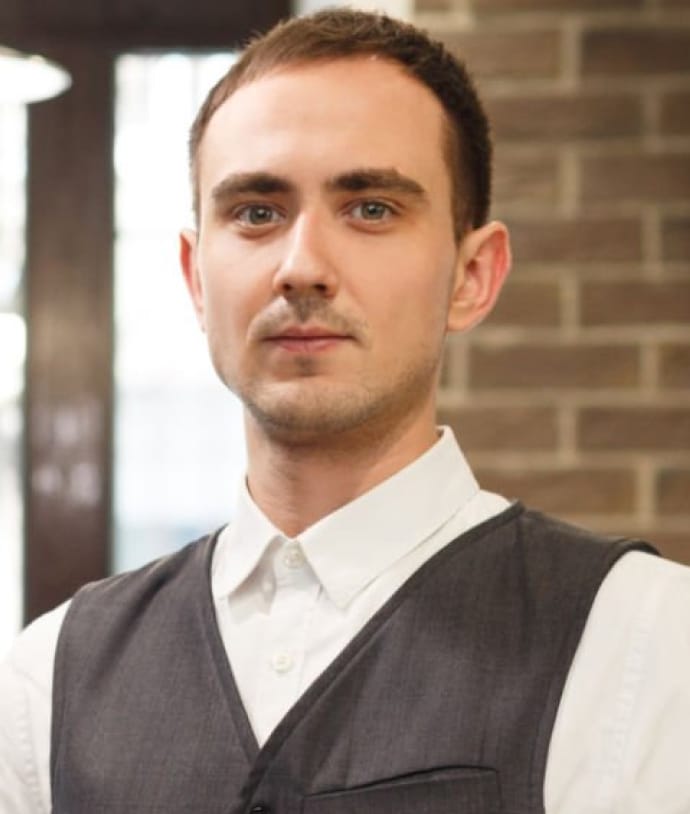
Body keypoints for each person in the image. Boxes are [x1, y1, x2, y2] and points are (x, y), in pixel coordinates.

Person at [1, 8, 689, 813]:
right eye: (257, 212)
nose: (302, 267)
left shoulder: (647, 642)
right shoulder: (47, 678)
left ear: (472, 276)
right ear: (195, 277)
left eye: (371, 209)